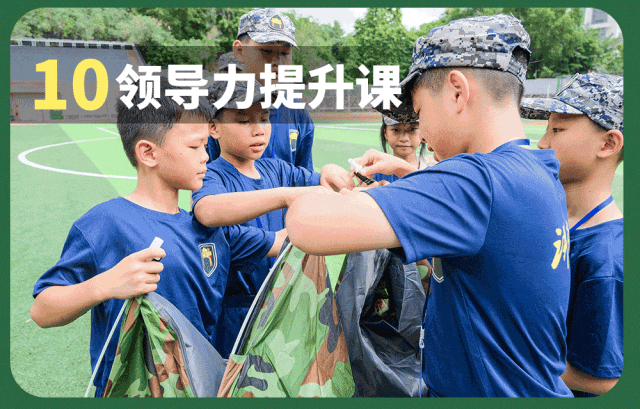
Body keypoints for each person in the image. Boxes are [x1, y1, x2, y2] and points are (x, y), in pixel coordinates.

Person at [285, 14, 573, 397]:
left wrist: (323, 188)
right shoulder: (537, 170)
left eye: (419, 114)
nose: (422, 131)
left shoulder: (474, 182)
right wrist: (408, 173)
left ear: (457, 92)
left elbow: (306, 224)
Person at [30, 76, 284, 397]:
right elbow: (42, 310)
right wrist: (106, 284)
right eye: (194, 146)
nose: (205, 156)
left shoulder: (213, 231)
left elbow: (285, 242)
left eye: (205, 145)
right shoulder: (107, 223)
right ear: (148, 153)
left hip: (197, 387)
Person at [192, 78, 351, 358]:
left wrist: (337, 178)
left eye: (264, 118)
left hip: (283, 304)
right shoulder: (212, 175)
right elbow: (207, 210)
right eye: (244, 121)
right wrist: (284, 197)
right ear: (213, 128)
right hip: (236, 313)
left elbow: (324, 185)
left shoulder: (277, 169)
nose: (258, 130)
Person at [521, 73, 623, 396]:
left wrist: (516, 350)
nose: (542, 143)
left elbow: (607, 380)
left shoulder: (606, 257)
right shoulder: (553, 217)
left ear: (608, 144)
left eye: (557, 130)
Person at [206, 8, 315, 173]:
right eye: (267, 51)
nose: (277, 61)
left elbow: (305, 178)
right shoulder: (215, 108)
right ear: (240, 51)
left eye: (285, 53)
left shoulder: (298, 113)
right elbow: (201, 181)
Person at [373, 114, 428, 184]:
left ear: (422, 132)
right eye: (396, 130)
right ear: (385, 133)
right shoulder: (374, 174)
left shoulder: (431, 175)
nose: (404, 138)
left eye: (412, 129)